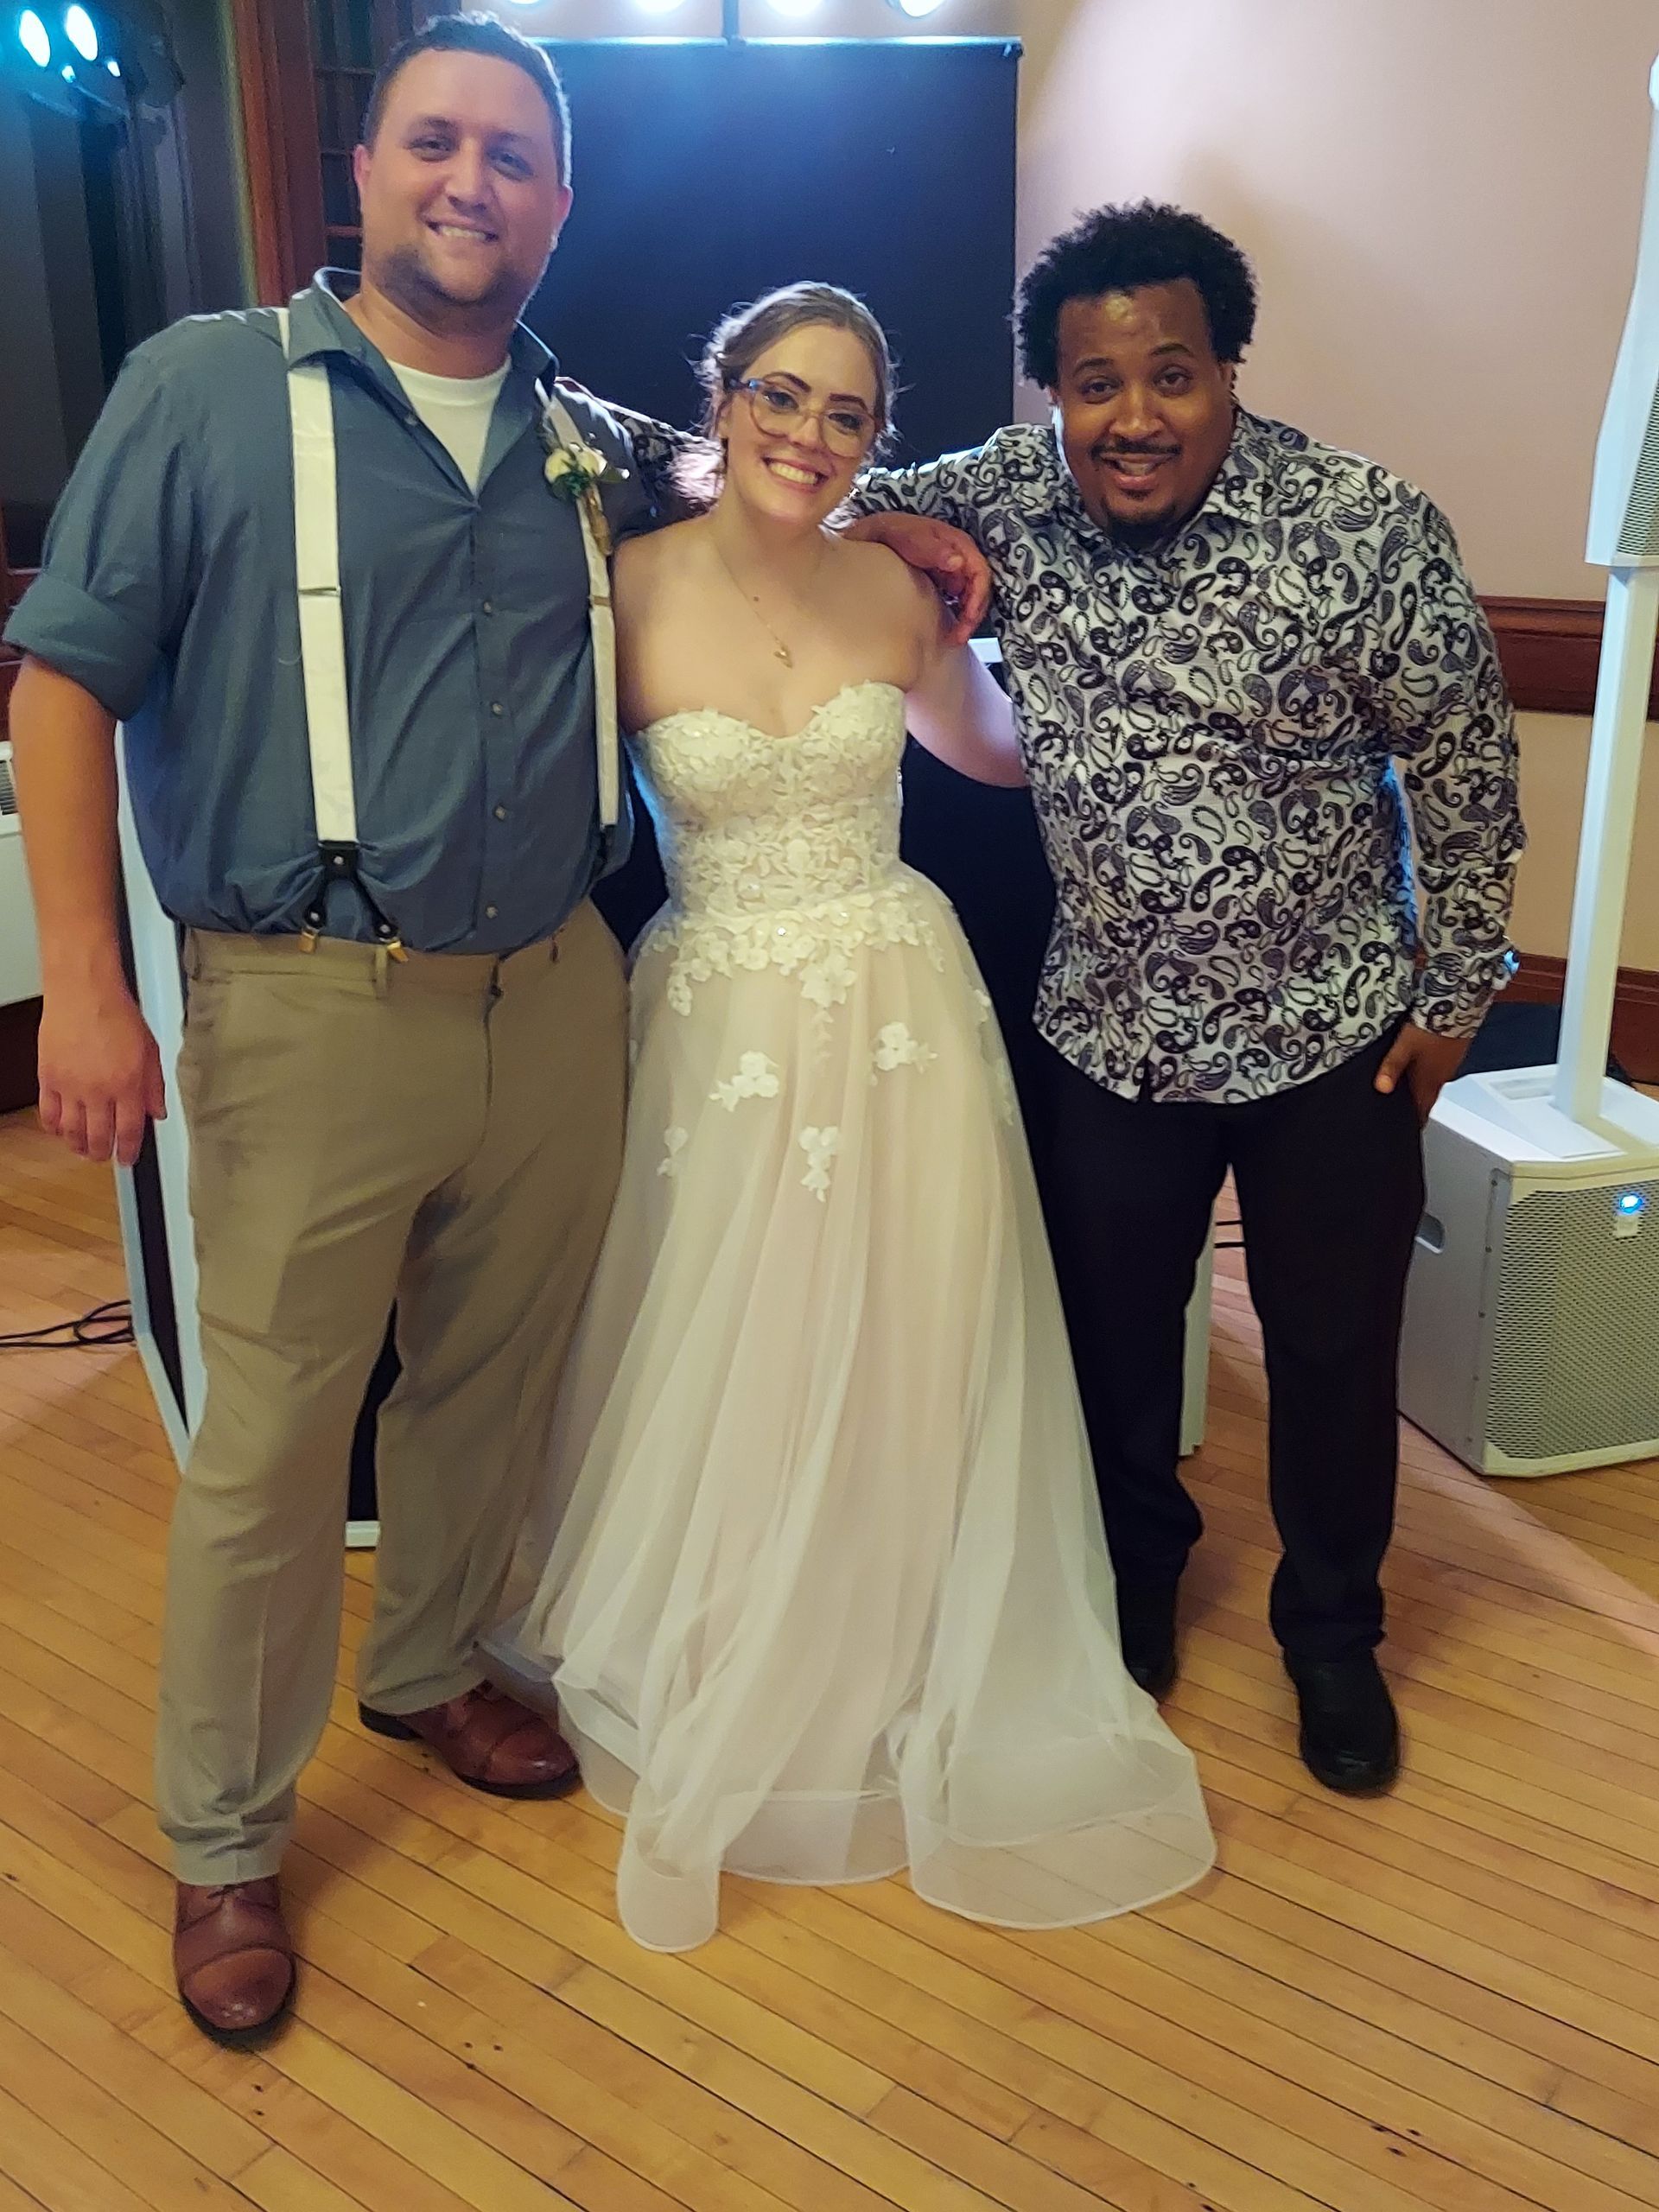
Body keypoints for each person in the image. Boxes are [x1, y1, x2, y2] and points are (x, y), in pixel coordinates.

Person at [505, 282, 1216, 1956]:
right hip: (712, 1021)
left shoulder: (899, 589)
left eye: (844, 412)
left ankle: (898, 1633)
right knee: (723, 1327)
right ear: (723, 393)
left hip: (898, 1010)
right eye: (781, 393)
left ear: (873, 441)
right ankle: (731, 1626)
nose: (807, 433)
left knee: (899, 1326)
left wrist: (1116, 690)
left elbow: (1006, 754)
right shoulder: (626, 590)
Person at [832, 202, 1526, 1796]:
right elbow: (789, 476)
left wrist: (1459, 985)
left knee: (1336, 1351)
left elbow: (1470, 763)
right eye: (1092, 384)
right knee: (1113, 1348)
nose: (1132, 417)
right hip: (1110, 1035)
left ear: (1229, 369)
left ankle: (1333, 1635)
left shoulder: (1365, 526)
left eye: (1170, 374)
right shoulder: (1010, 492)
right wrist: (900, 536)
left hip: (1328, 1038)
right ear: (1052, 398)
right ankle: (1132, 1588)